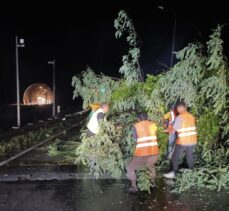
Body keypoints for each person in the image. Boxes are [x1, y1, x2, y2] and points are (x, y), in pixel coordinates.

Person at [163, 102, 197, 179]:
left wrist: (166, 130)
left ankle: (174, 173)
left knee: (175, 157)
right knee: (189, 156)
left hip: (183, 141)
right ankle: (192, 173)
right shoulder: (191, 116)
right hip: (192, 141)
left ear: (179, 108)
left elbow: (174, 129)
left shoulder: (180, 117)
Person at [127, 113, 159, 193]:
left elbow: (136, 139)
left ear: (138, 119)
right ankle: (153, 183)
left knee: (130, 167)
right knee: (151, 166)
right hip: (154, 152)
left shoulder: (136, 126)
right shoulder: (153, 125)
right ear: (147, 118)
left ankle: (134, 187)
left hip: (142, 153)